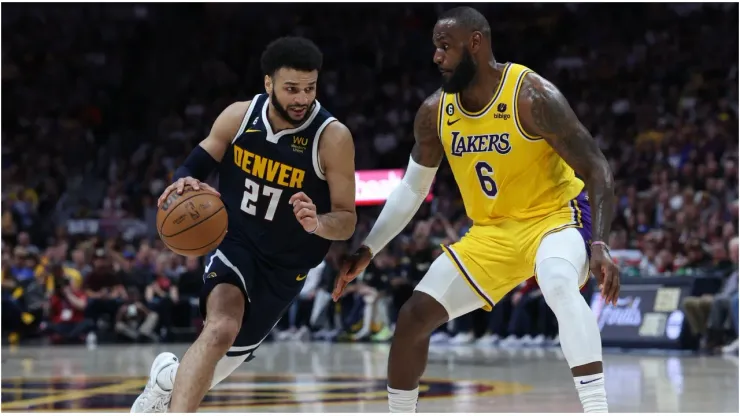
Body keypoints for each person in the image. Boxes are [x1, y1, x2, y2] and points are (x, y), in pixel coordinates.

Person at [334, 7, 619, 413]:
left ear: (475, 44)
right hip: (491, 233)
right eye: (435, 48)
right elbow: (412, 189)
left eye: (445, 47)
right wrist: (369, 248)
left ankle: (597, 409)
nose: (436, 57)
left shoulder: (531, 95)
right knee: (413, 316)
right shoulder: (435, 112)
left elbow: (596, 167)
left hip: (555, 219)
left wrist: (601, 242)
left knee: (557, 282)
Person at [131, 36, 357, 412]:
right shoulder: (240, 116)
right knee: (220, 329)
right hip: (235, 241)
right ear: (268, 83)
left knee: (210, 369)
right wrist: (183, 180)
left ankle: (164, 377)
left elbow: (346, 220)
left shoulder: (332, 137)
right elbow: (195, 164)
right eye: (291, 89)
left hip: (286, 267)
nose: (302, 98)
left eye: (310, 88)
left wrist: (317, 222)